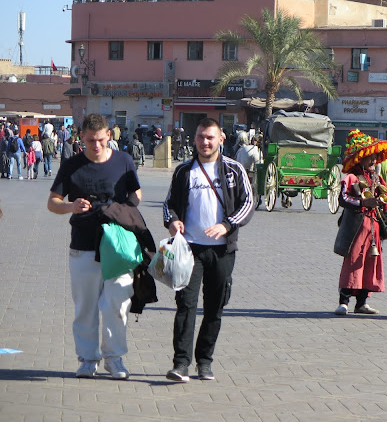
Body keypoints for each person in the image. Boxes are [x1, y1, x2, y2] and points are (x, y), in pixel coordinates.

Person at [47, 114, 142, 379]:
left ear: (109, 136)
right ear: (81, 137)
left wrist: (124, 209)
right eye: (90, 140)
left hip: (118, 246)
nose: (96, 145)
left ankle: (114, 358)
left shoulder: (123, 160)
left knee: (117, 304)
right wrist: (70, 206)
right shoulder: (72, 165)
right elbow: (52, 202)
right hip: (83, 245)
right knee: (85, 307)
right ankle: (88, 359)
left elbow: (137, 193)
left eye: (101, 140)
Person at [163, 118, 254, 382]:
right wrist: (172, 222)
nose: (205, 142)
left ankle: (205, 361)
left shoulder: (234, 170)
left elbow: (248, 203)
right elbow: (169, 204)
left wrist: (227, 226)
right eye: (201, 137)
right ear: (194, 139)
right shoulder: (183, 171)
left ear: (221, 139)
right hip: (189, 249)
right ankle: (181, 364)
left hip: (222, 251)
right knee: (185, 305)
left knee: (215, 307)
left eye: (210, 137)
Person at [333, 129, 387, 316]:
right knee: (353, 262)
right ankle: (344, 301)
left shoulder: (378, 179)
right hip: (356, 228)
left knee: (370, 263)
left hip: (374, 228)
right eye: (370, 158)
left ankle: (362, 302)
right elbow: (342, 199)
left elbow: (386, 205)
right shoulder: (351, 178)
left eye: (375, 158)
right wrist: (362, 202)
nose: (374, 161)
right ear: (360, 159)